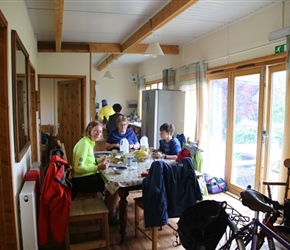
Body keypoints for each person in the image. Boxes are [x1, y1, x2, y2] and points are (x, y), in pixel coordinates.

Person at [71, 121, 119, 224]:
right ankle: (111, 216)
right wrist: (98, 167)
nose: (98, 133)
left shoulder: (87, 142)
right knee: (114, 185)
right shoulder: (84, 144)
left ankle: (109, 207)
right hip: (81, 181)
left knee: (109, 181)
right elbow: (78, 168)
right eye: (95, 130)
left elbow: (88, 162)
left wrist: (99, 160)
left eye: (100, 131)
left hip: (84, 177)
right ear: (89, 131)